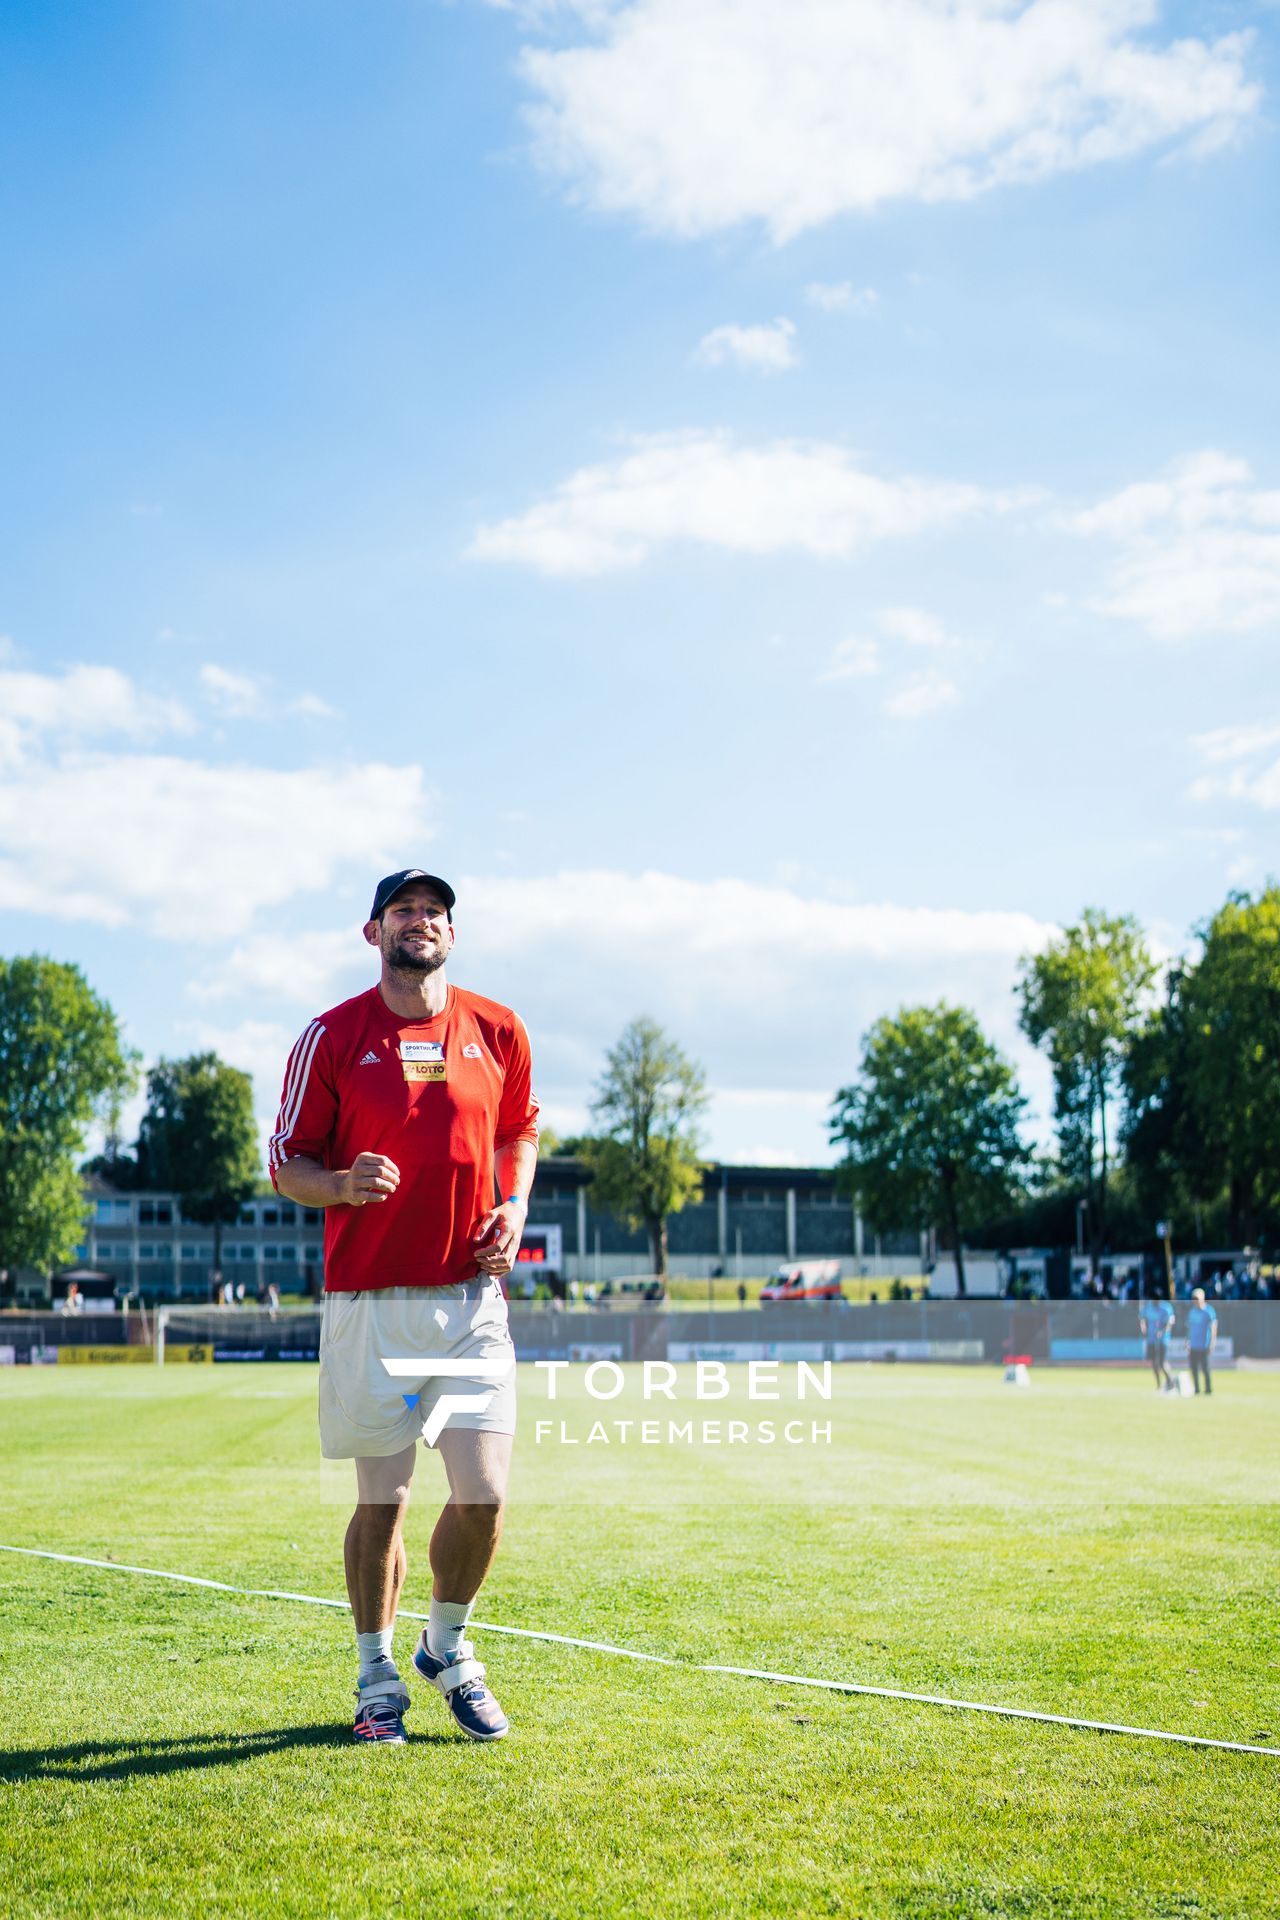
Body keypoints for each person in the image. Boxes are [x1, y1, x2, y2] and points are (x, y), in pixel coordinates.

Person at [270, 869, 539, 1745]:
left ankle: (447, 1647)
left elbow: (519, 1128)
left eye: (433, 912)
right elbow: (286, 1162)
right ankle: (376, 1676)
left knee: (486, 1495)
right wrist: (341, 1183)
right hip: (369, 1305)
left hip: (470, 1303)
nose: (419, 922)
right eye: (403, 911)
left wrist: (517, 1205)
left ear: (451, 935)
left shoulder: (498, 1029)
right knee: (382, 1501)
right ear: (373, 931)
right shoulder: (332, 1035)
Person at [1186, 1287, 1218, 1396]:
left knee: (1205, 1368)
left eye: (1197, 1298)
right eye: (1194, 1298)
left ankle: (1208, 1389)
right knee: (1194, 1368)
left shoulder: (1209, 1311)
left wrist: (1212, 1344)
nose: (1195, 1301)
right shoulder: (1192, 1312)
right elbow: (1189, 1328)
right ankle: (1197, 1389)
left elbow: (1213, 1328)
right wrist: (1187, 1341)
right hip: (1194, 1345)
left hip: (1204, 1344)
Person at [1139, 1293, 1174, 1392]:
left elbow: (1169, 1323)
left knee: (1162, 1363)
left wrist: (1162, 1332)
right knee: (1154, 1363)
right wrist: (1143, 1326)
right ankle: (1159, 1384)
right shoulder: (1149, 1306)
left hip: (1163, 1340)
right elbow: (1142, 1317)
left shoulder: (1166, 1308)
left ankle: (1170, 1381)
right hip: (1151, 1339)